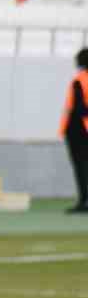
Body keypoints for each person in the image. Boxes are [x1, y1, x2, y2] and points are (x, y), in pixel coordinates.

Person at [62, 48, 88, 213]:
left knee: (81, 167)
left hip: (78, 131)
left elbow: (79, 108)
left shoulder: (80, 80)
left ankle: (84, 201)